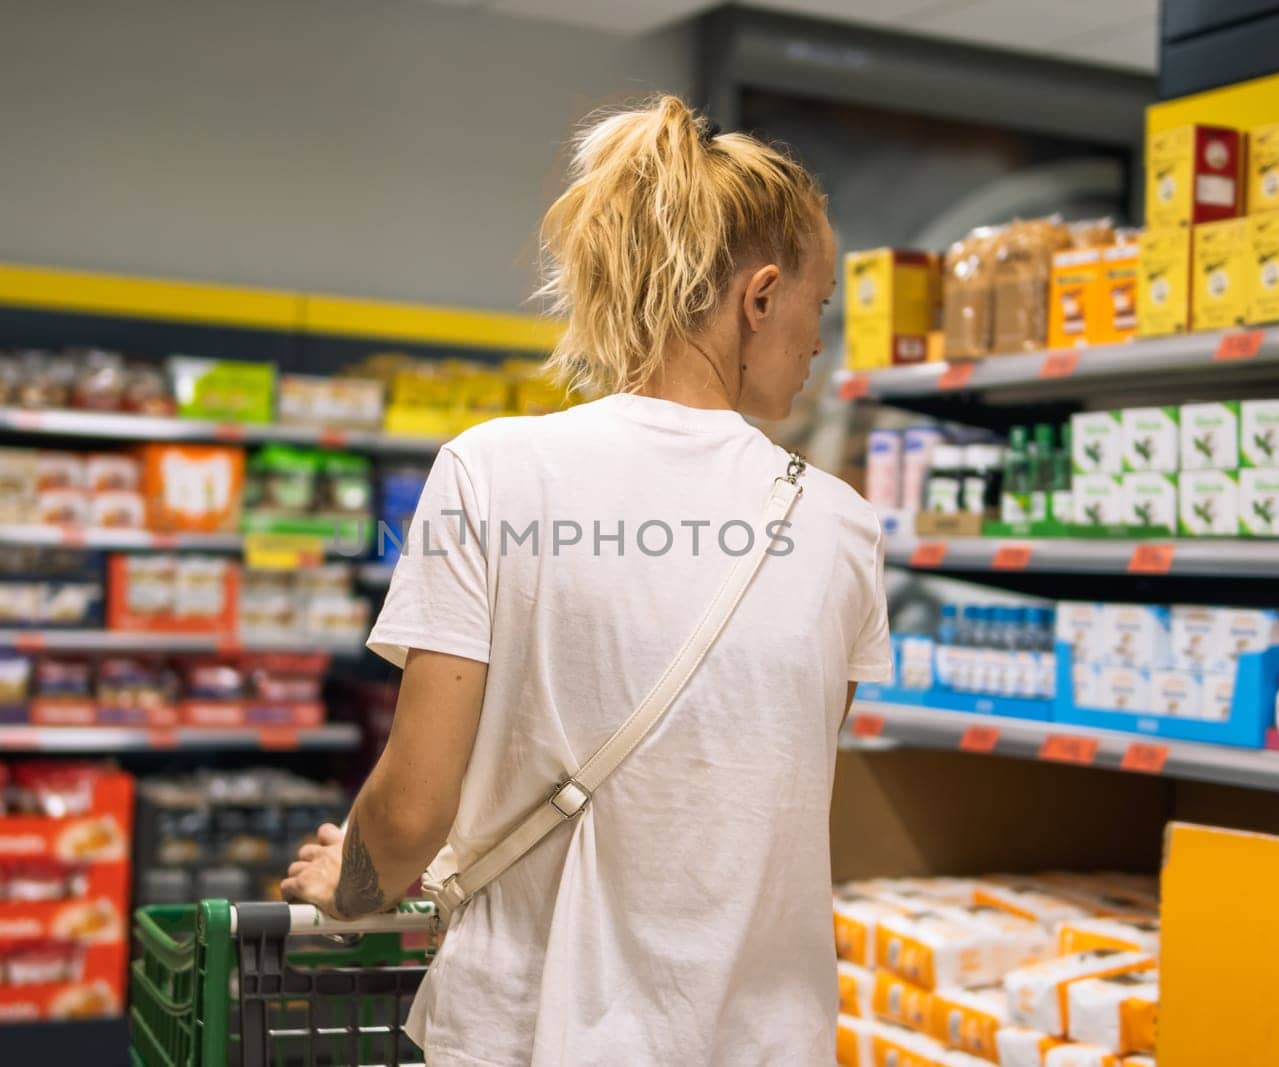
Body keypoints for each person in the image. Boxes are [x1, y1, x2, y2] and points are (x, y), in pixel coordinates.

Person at [282, 93, 890, 1065]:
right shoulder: (840, 528)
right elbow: (761, 787)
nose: (819, 343)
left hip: (526, 1031)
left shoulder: (494, 471)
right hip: (758, 1040)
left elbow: (406, 811)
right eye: (818, 306)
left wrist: (346, 888)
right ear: (759, 297)